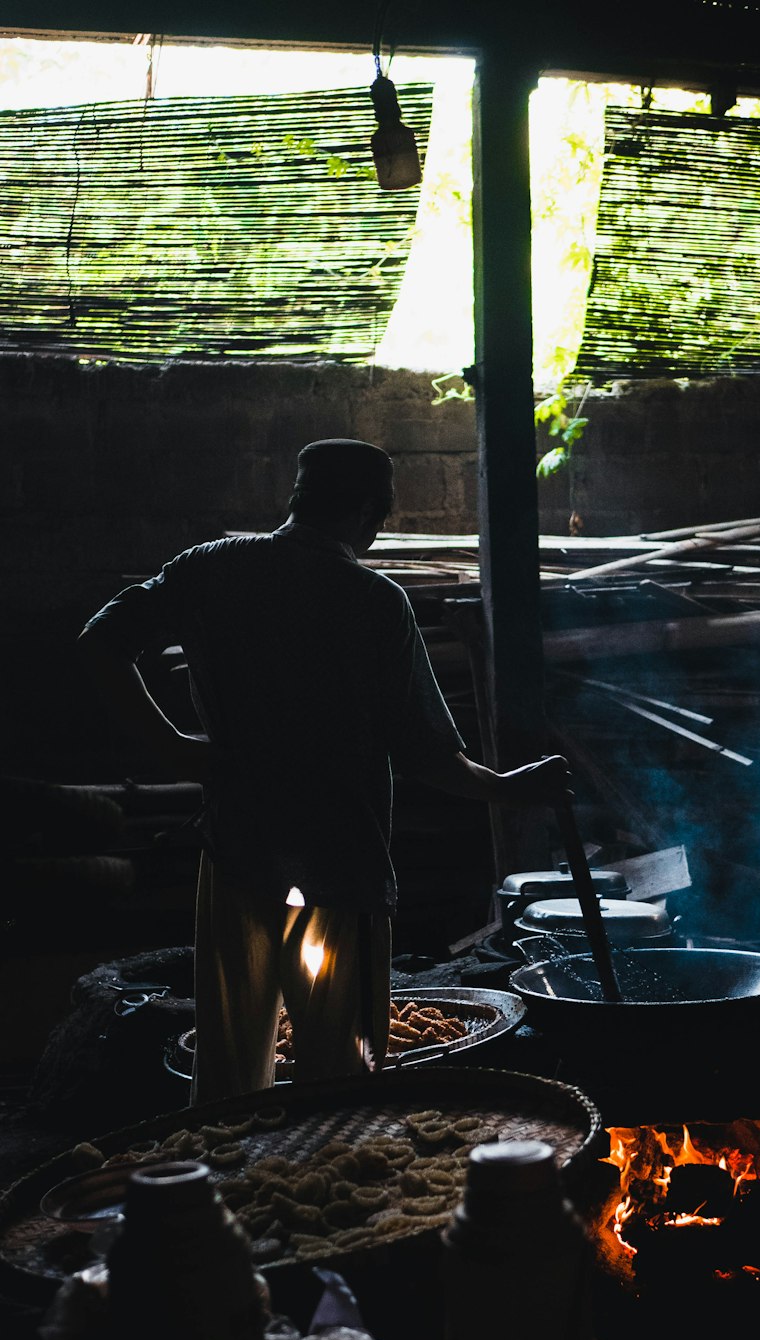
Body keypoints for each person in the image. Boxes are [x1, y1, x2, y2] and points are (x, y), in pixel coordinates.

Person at [79, 439, 569, 1103]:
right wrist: (510, 788)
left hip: (237, 863)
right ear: (371, 511)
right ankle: (324, 1200)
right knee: (337, 1086)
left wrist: (174, 748)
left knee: (228, 1079)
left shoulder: (210, 568)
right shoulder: (375, 603)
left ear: (298, 498)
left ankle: (224, 1201)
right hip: (343, 876)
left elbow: (101, 641)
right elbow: (428, 756)